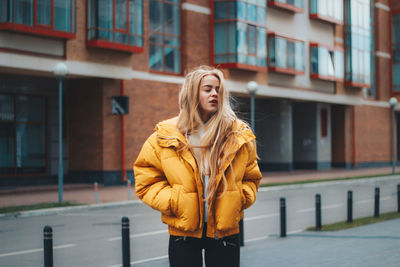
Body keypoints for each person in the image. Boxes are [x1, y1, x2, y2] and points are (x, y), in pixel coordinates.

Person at [134, 65, 262, 267]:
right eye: (208, 89)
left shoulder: (237, 134)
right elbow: (146, 178)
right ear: (193, 93)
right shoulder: (166, 135)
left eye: (218, 89)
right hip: (183, 233)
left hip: (225, 232)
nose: (214, 94)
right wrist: (174, 202)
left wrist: (239, 198)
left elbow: (251, 177)